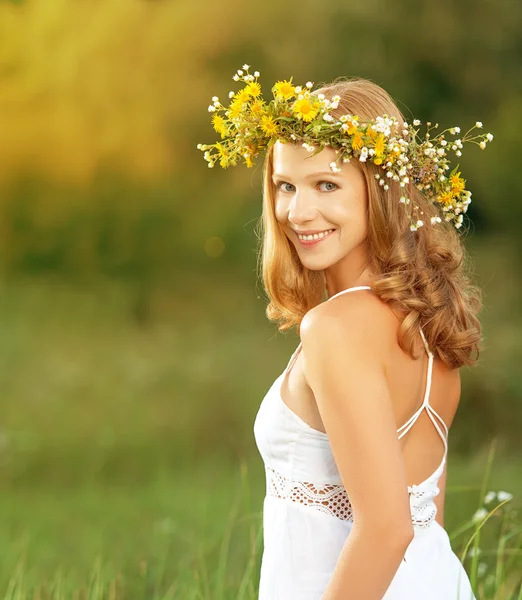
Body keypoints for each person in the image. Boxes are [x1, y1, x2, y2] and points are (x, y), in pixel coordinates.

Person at [199, 65, 493, 599]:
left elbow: (388, 528)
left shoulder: (335, 329)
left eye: (326, 185)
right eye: (285, 185)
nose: (297, 211)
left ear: (379, 192)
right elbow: (426, 516)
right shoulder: (427, 323)